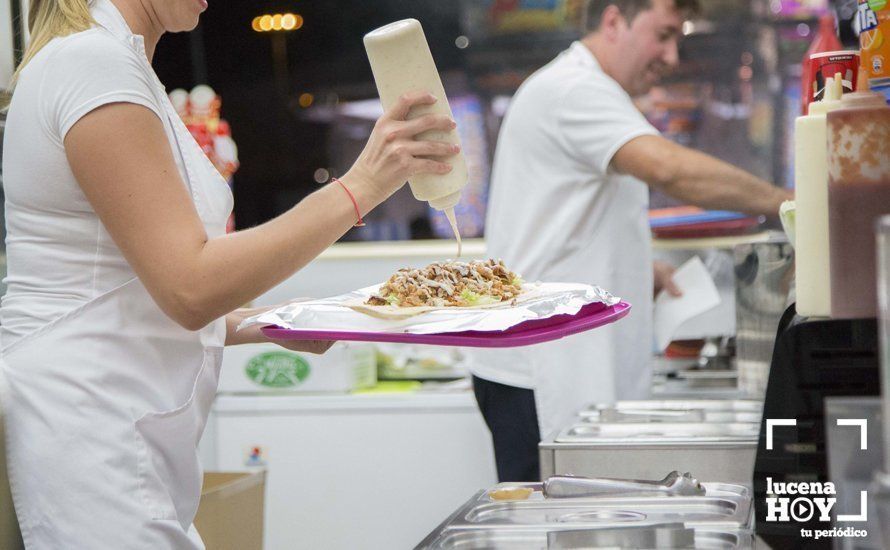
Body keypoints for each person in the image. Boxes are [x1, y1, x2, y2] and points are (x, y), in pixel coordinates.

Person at [0, 0, 460, 547]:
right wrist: (362, 186)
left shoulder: (119, 65)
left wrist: (269, 322)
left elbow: (127, 286)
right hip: (92, 424)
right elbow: (189, 287)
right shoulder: (91, 65)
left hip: (119, 424)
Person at [467, 0, 792, 482]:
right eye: (663, 34)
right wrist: (790, 202)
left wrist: (643, 271)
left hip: (550, 358)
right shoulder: (575, 89)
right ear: (614, 20)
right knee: (555, 523)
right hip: (542, 369)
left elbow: (572, 221)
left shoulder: (587, 89)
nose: (673, 56)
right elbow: (671, 171)